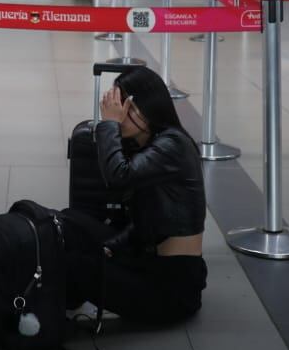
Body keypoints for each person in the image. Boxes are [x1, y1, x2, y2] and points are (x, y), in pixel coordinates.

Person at [63, 66, 207, 325]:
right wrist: (111, 247)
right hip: (149, 260)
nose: (119, 117)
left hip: (173, 284)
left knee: (74, 267)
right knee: (69, 222)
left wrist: (109, 125)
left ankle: (42, 307)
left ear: (149, 109)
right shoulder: (150, 143)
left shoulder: (172, 145)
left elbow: (118, 176)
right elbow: (146, 221)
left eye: (126, 109)